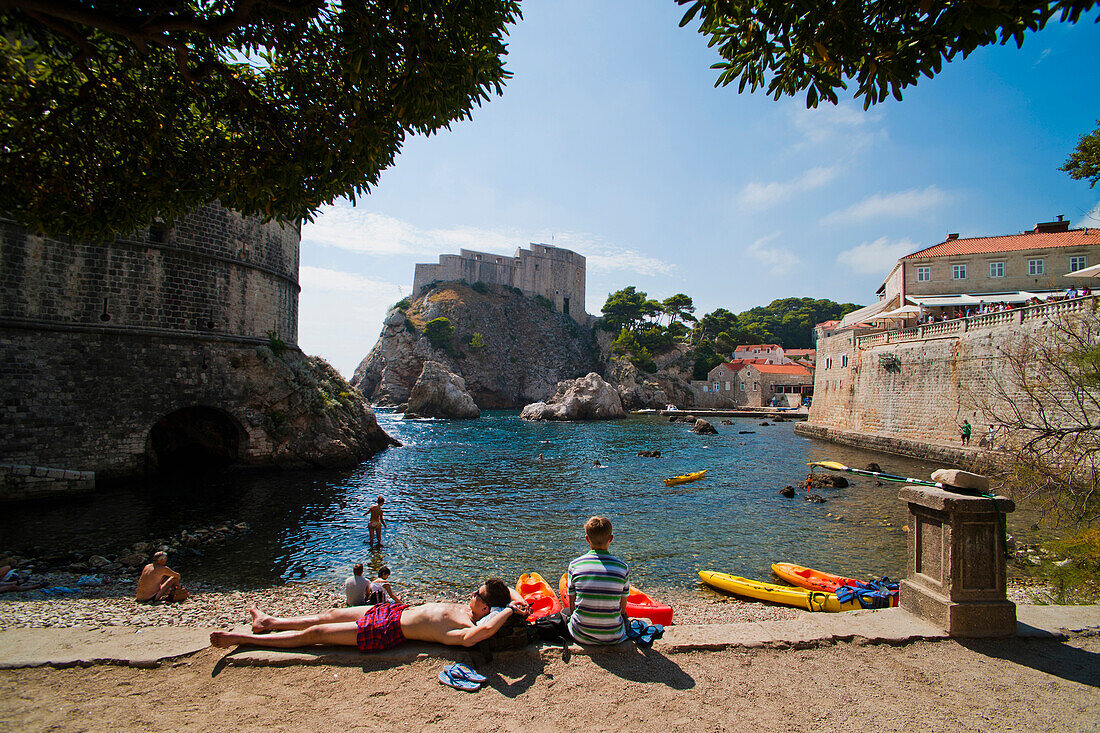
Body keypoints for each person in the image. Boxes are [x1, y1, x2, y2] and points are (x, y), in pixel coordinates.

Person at [209, 578, 529, 652]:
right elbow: (508, 588)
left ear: (486, 609)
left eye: (477, 595)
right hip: (393, 609)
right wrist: (516, 602)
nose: (472, 593)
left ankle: (243, 638)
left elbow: (482, 635)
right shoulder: (477, 607)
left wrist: (508, 612)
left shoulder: (467, 625)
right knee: (333, 612)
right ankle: (270, 622)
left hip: (388, 630)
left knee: (317, 637)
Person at [565, 516, 630, 645]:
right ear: (611, 539)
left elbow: (572, 608)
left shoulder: (575, 565)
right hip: (614, 636)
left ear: (587, 539)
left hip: (581, 635)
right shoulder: (622, 568)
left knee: (564, 612)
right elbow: (622, 610)